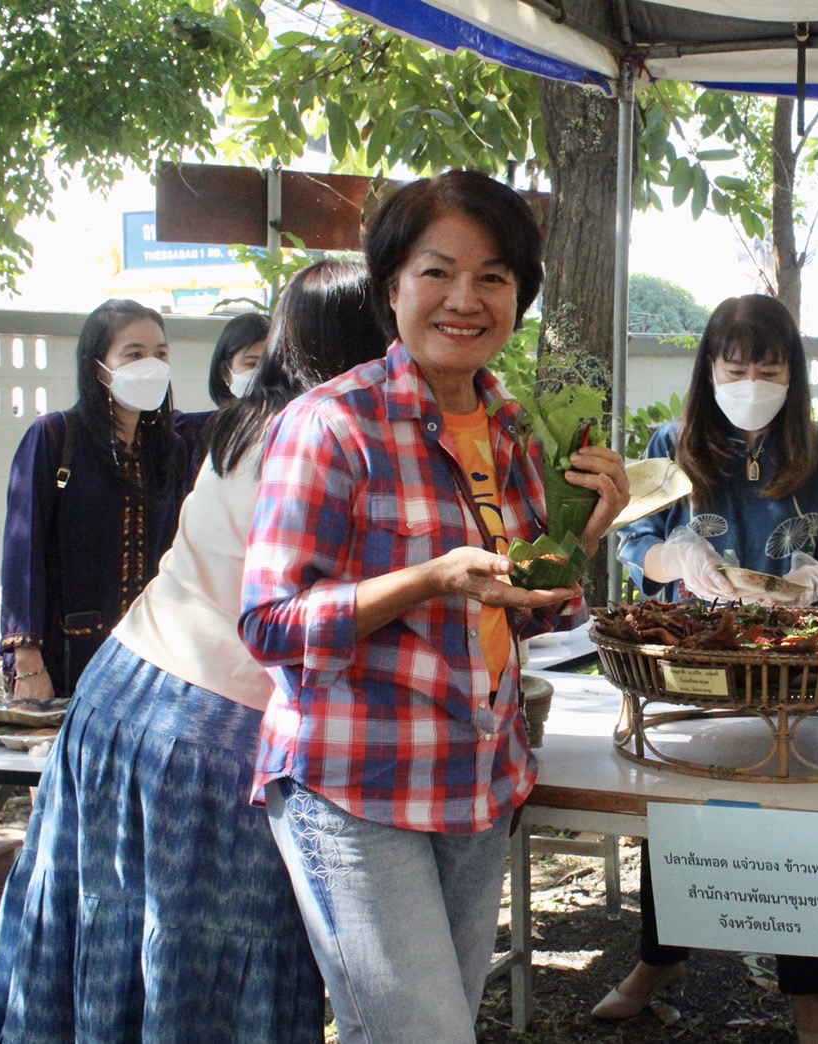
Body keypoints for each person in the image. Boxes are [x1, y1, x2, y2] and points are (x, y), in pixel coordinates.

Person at [239, 170, 629, 1044]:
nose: (466, 299)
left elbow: (525, 609)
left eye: (493, 277)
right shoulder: (332, 424)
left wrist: (587, 536)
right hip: (353, 782)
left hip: (475, 777)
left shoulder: (518, 432)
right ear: (390, 287)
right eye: (436, 272)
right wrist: (425, 579)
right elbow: (270, 623)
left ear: (519, 297)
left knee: (439, 1024)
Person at [0, 260, 388, 1043]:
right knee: (202, 969)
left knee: (103, 938)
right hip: (207, 739)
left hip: (118, 700)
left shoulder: (244, 424)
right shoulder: (323, 438)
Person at [607, 293, 818, 1044]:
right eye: (738, 362)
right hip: (693, 655)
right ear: (711, 368)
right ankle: (657, 959)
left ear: (792, 370)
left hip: (795, 657)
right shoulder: (671, 443)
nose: (753, 375)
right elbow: (635, 551)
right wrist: (679, 557)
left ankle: (805, 990)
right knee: (682, 805)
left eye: (770, 361)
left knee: (800, 809)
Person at [0, 298, 196, 700]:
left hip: (150, 663)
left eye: (160, 354)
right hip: (67, 657)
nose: (151, 365)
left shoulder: (168, 451)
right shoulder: (55, 437)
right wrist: (27, 659)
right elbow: (23, 552)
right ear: (97, 365)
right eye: (134, 354)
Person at [207, 309, 270, 405]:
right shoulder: (202, 420)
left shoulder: (293, 418)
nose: (262, 374)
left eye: (271, 365)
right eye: (251, 364)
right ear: (224, 372)